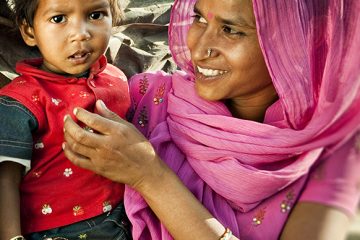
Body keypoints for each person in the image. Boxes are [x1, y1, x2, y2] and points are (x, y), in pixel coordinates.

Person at [63, 0, 360, 239]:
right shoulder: (146, 99)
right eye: (200, 18)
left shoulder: (332, 152)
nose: (200, 47)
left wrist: (150, 176)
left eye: (231, 30)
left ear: (294, 44)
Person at [0, 0, 132, 239]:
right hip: (58, 231)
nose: (80, 34)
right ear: (29, 31)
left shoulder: (117, 77)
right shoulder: (20, 101)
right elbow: (5, 179)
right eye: (59, 19)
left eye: (95, 15)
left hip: (128, 215)